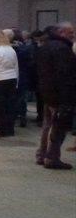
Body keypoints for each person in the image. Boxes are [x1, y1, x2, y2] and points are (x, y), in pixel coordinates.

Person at [35, 22, 76, 169]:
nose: (73, 35)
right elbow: (65, 75)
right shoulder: (63, 49)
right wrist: (67, 97)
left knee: (48, 125)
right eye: (70, 32)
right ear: (61, 32)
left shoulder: (45, 46)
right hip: (59, 94)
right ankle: (52, 157)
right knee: (58, 127)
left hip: (46, 92)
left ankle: (41, 154)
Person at [11, 29, 32, 127]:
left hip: (14, 75)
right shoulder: (25, 48)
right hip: (23, 75)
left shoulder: (13, 49)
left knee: (15, 97)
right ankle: (22, 116)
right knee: (21, 98)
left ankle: (14, 116)